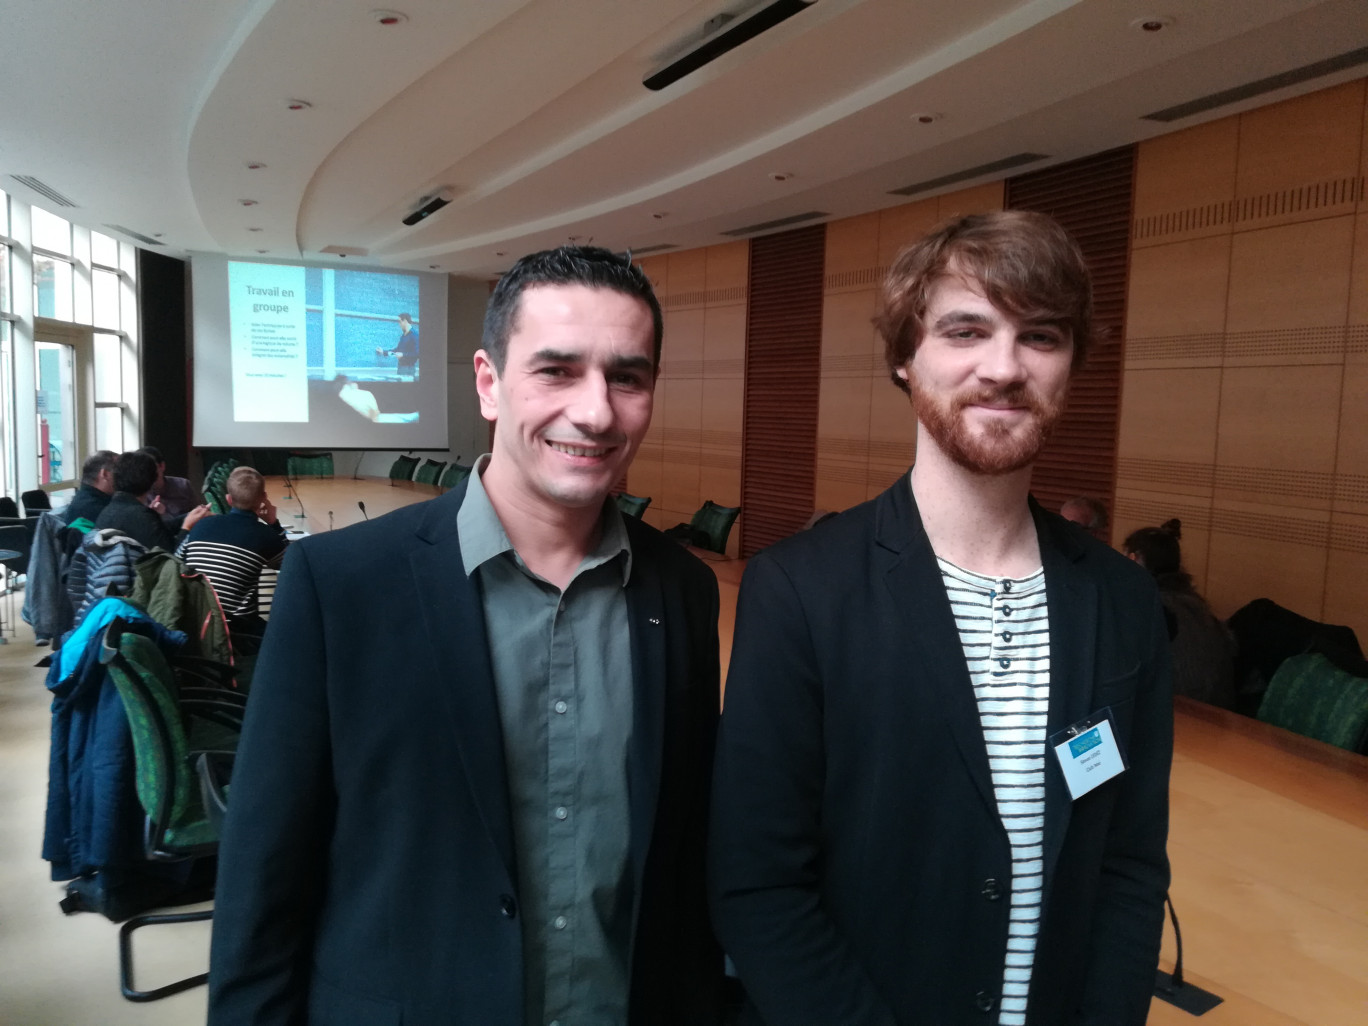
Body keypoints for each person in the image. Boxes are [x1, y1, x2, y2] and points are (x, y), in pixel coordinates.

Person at [209, 246, 724, 1025]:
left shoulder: (681, 590)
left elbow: (683, 850)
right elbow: (264, 874)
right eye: (555, 370)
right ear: (488, 382)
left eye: (627, 376)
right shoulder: (341, 586)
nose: (595, 411)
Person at [710, 211, 1173, 1026]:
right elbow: (759, 884)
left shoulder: (1122, 600)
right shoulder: (801, 590)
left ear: (1073, 365)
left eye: (1041, 336)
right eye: (966, 330)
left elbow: (1129, 867)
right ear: (904, 358)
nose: (1004, 367)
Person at [1124, 519, 1237, 709]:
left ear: (1133, 559)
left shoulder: (1148, 606)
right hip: (1219, 709)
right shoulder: (1196, 605)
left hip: (1182, 711)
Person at [177, 466, 288, 625]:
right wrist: (274, 524)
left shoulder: (201, 526)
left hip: (193, 621)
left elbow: (176, 560)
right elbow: (291, 562)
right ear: (263, 498)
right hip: (235, 628)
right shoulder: (266, 536)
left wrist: (184, 529)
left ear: (228, 499)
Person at [94, 450, 211, 550]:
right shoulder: (140, 516)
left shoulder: (109, 510)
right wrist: (186, 528)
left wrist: (189, 516)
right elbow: (170, 556)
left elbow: (159, 531)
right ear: (151, 480)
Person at [136, 445, 202, 519]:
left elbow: (197, 514)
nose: (147, 474)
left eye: (151, 468)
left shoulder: (183, 485)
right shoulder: (138, 493)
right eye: (142, 470)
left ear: (162, 466)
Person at [61, 450, 117, 524]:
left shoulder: (83, 499)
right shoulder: (97, 510)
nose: (124, 476)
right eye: (119, 471)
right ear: (105, 474)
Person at [335, 374, 420, 422]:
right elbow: (375, 415)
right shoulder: (365, 394)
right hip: (373, 422)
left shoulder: (339, 398)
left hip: (362, 424)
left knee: (404, 417)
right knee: (407, 418)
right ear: (348, 383)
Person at [375, 311, 419, 378]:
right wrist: (383, 352)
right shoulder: (403, 336)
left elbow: (417, 353)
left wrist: (403, 355)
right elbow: (397, 350)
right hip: (401, 367)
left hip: (409, 369)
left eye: (400, 321)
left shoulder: (415, 335)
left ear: (405, 321)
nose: (399, 324)